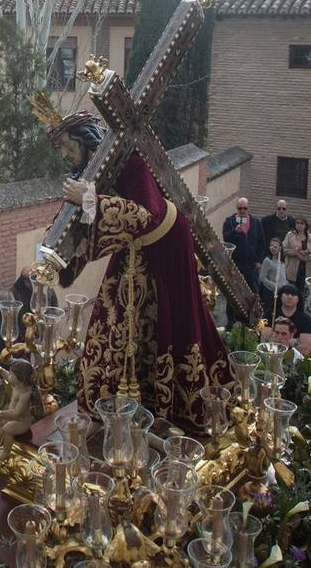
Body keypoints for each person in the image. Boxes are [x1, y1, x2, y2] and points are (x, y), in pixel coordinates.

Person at [49, 109, 233, 429]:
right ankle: (109, 399)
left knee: (170, 321)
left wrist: (91, 199)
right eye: (61, 149)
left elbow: (145, 214)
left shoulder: (131, 161)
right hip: (134, 248)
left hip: (166, 247)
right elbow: (84, 225)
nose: (64, 155)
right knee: (112, 318)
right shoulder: (94, 172)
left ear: (85, 140)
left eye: (67, 146)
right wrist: (58, 257)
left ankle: (171, 404)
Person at [221, 197, 268, 318]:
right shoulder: (230, 221)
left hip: (251, 264)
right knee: (233, 291)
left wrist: (259, 260)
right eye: (240, 208)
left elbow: (262, 242)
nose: (242, 211)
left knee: (254, 292)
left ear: (248, 208)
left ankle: (254, 319)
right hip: (235, 263)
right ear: (237, 208)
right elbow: (226, 238)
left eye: (245, 208)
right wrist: (235, 231)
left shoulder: (256, 222)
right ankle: (231, 320)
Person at [267, 283, 311, 357]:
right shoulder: (270, 314)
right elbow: (264, 339)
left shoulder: (305, 319)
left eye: (293, 294)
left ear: (298, 299)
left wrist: (292, 344)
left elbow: (306, 348)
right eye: (286, 294)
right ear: (280, 296)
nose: (289, 296)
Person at [282, 216, 311, 287]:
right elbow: (284, 249)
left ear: (305, 225)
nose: (299, 225)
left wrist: (307, 256)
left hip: (306, 269)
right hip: (292, 268)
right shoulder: (290, 235)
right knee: (291, 289)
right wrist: (296, 253)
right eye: (297, 223)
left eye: (301, 223)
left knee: (302, 292)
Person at [259, 238, 286, 304]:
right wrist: (275, 286)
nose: (272, 248)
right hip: (270, 292)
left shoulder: (282, 261)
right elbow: (262, 278)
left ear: (280, 248)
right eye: (271, 246)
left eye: (275, 247)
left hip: (281, 292)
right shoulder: (267, 260)